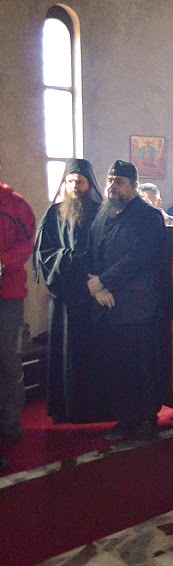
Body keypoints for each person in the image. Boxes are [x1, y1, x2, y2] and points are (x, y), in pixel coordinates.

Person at [89, 160, 171, 443]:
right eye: (111, 180)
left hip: (139, 306)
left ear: (134, 186)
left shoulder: (148, 216)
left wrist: (105, 281)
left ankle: (147, 419)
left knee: (141, 366)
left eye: (120, 182)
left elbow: (140, 257)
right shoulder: (104, 213)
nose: (113, 186)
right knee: (119, 366)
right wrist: (97, 286)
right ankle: (126, 418)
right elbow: (93, 250)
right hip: (110, 303)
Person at [33, 158, 106, 424]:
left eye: (80, 181)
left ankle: (96, 408)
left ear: (89, 184)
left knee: (93, 353)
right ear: (65, 183)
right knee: (66, 352)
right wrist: (71, 259)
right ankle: (66, 408)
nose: (75, 186)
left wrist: (96, 277)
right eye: (71, 181)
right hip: (65, 295)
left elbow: (108, 251)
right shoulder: (53, 214)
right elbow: (44, 254)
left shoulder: (101, 214)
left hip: (92, 295)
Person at [0, 166, 36, 453]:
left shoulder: (15, 205)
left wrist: (2, 262)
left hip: (8, 294)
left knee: (8, 359)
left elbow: (27, 243)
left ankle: (10, 421)